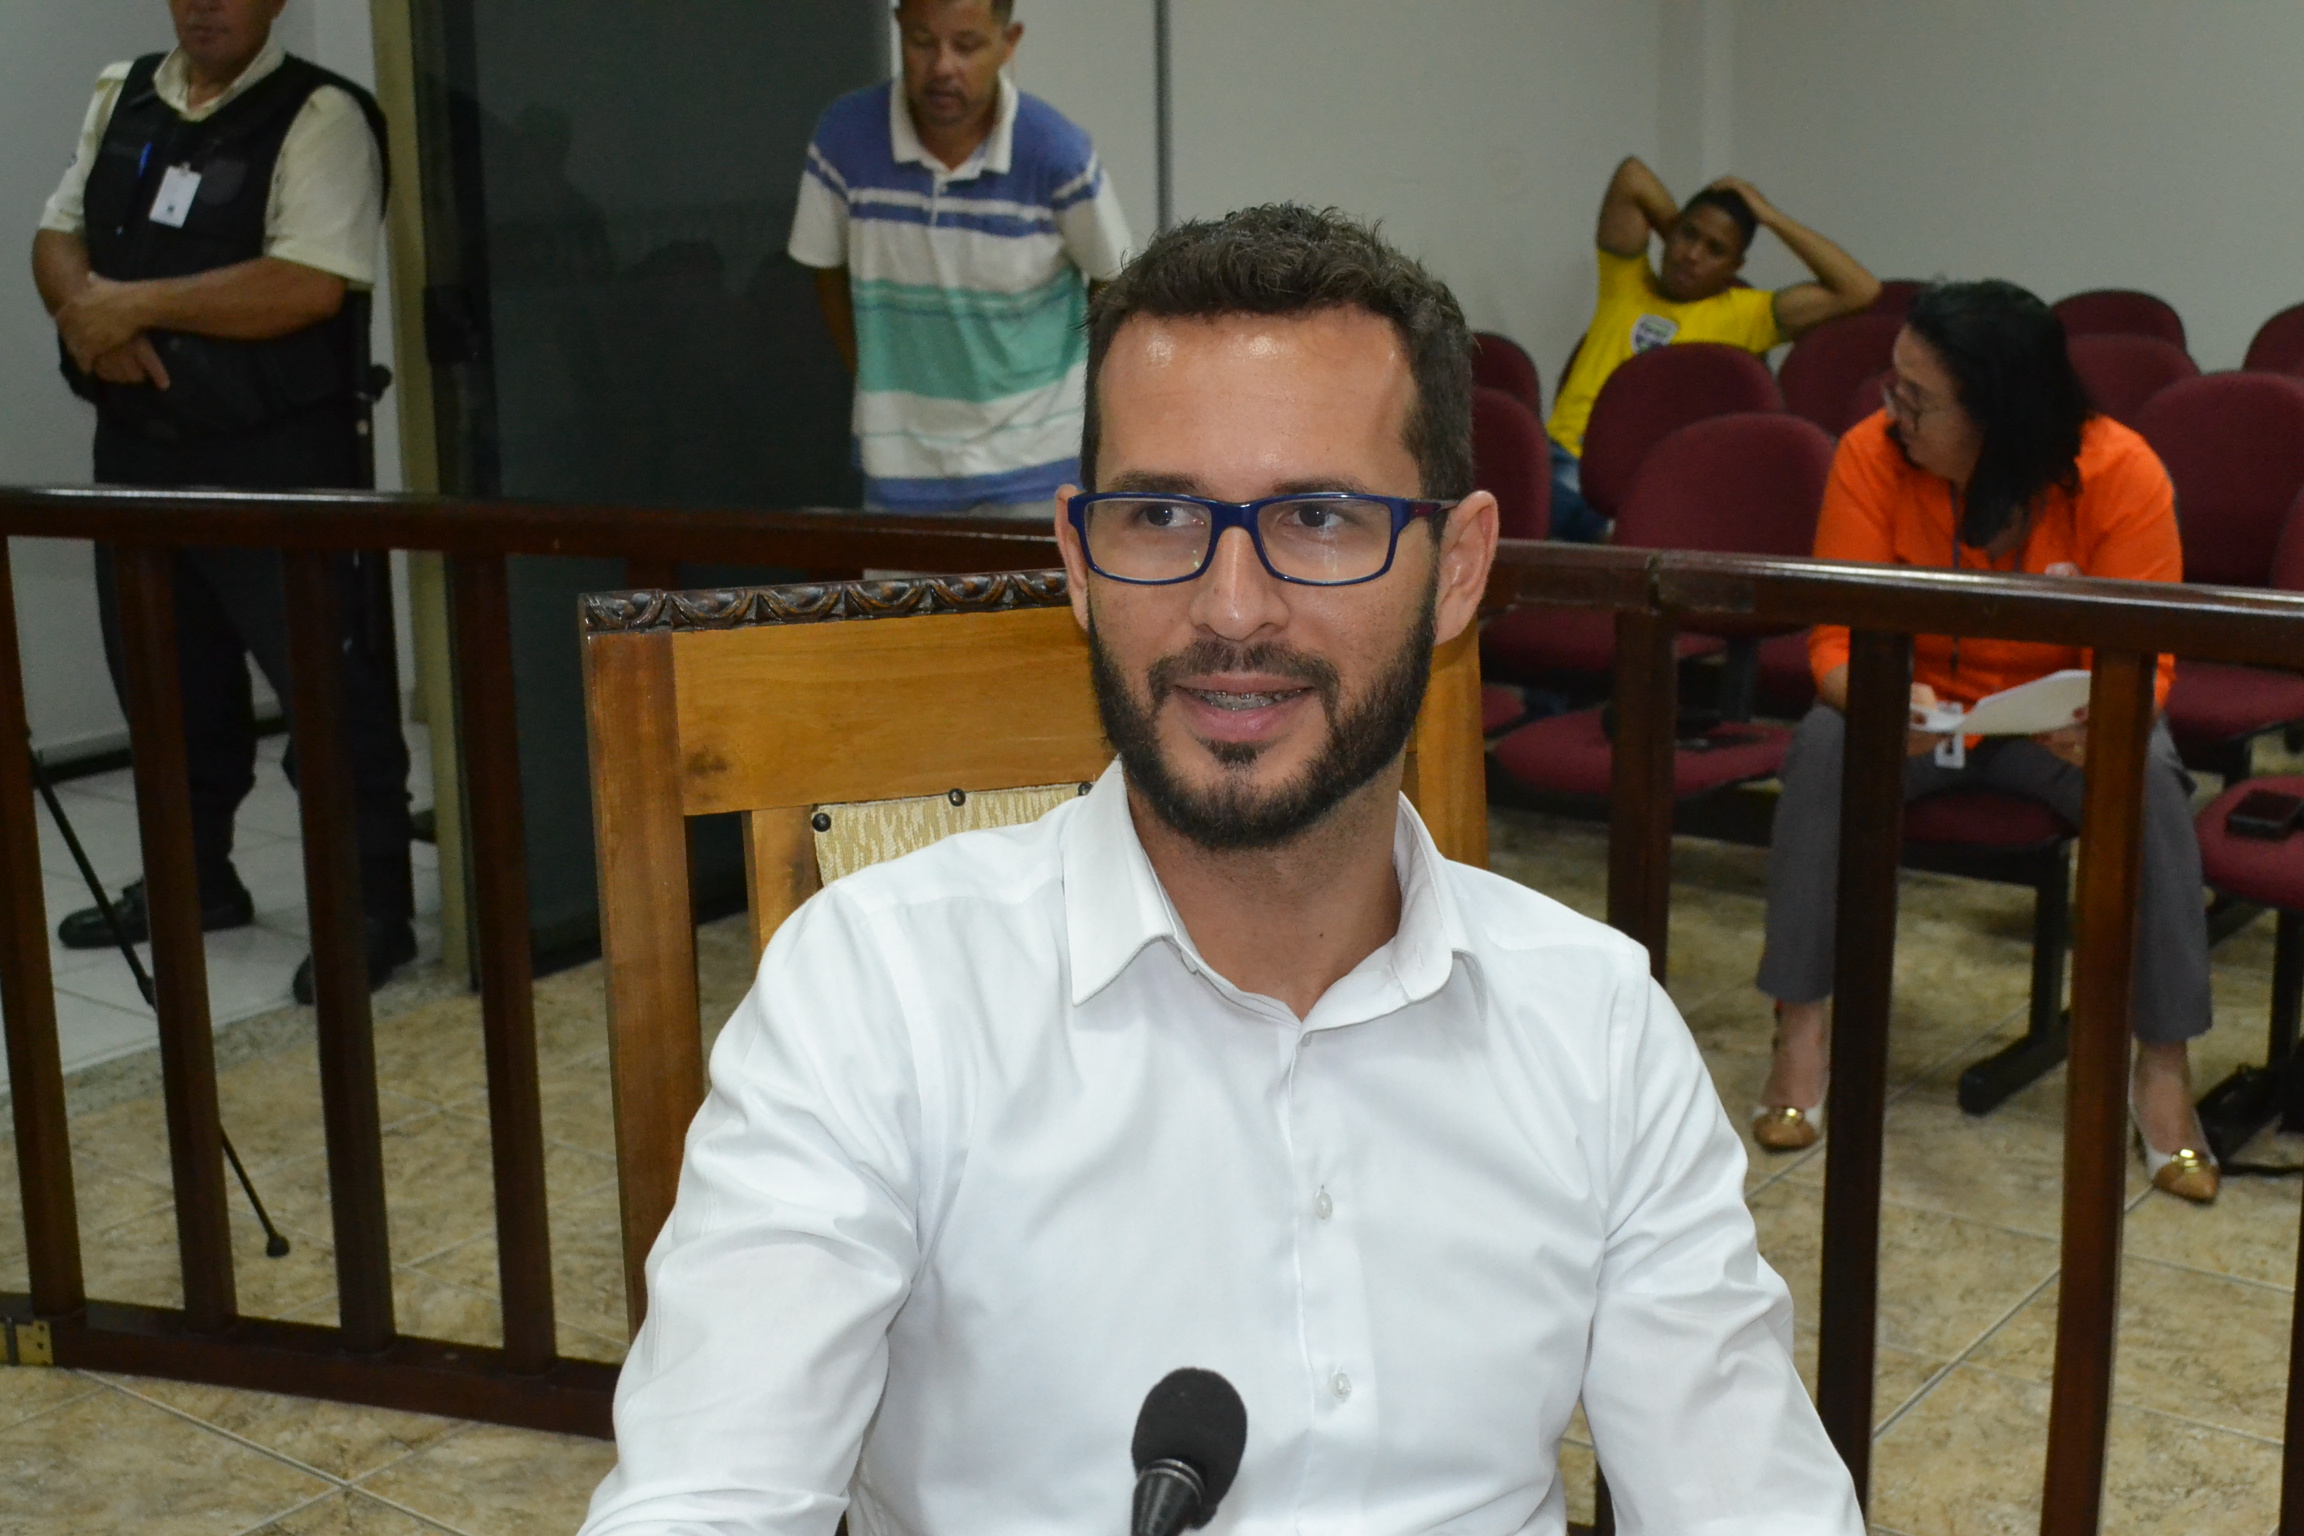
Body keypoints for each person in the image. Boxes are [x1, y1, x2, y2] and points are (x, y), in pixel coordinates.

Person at [580, 205, 1862, 1536]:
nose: (1233, 608)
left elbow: (1751, 1507)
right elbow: (703, 1500)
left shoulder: (1595, 1028)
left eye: (1320, 517)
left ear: (1459, 569)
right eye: (1158, 515)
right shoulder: (875, 996)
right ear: (1079, 560)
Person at [1753, 279, 2217, 1204]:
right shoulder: (1870, 454)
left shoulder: (2120, 471)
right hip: (1913, 717)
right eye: (1893, 384)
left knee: (2150, 774)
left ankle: (2164, 1070)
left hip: (2054, 727)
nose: (1894, 411)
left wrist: (2105, 719)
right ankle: (1800, 1033)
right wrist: (1876, 699)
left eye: (1918, 398)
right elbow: (1833, 640)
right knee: (1823, 747)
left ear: (1997, 411)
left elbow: (2148, 658)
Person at [32, 0, 416, 1002]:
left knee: (326, 691)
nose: (206, 4)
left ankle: (370, 909)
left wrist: (132, 306)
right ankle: (191, 883)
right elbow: (58, 234)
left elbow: (307, 284)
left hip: (276, 460)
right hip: (138, 449)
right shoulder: (124, 95)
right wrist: (89, 317)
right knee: (162, 682)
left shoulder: (322, 114)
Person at [788, 0, 1132, 515]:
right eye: (922, 42)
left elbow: (1113, 279)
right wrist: (880, 379)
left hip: (1039, 463)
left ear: (1008, 44)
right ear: (899, 28)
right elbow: (827, 273)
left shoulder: (1055, 152)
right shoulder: (845, 139)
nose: (943, 66)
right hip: (902, 464)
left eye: (967, 45)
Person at [1546, 157, 1880, 541]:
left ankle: (1611, 538)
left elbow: (1861, 290)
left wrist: (1768, 215)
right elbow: (1632, 177)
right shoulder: (1626, 280)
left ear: (1734, 266)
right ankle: (1608, 538)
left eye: (1715, 250)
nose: (1692, 255)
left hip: (1656, 482)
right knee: (1513, 489)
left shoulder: (1748, 315)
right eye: (1688, 235)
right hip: (1566, 459)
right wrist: (1686, 240)